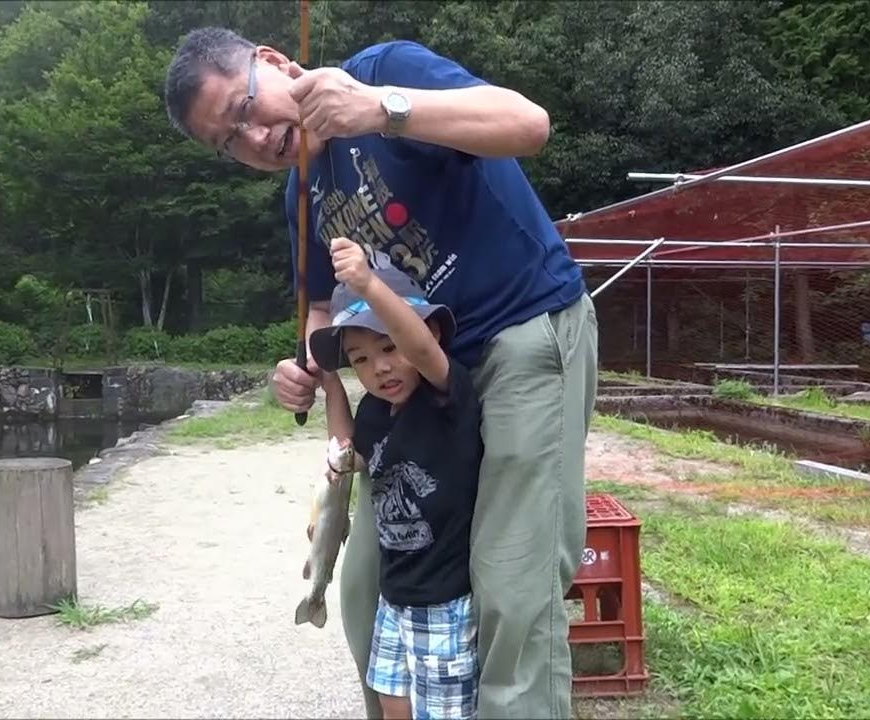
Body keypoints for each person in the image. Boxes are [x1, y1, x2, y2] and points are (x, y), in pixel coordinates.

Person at [164, 27, 598, 719]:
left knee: (513, 583)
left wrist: (382, 108)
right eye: (227, 141)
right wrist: (312, 364)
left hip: (522, 331)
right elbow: (318, 309)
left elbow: (528, 124)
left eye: (244, 108)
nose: (253, 139)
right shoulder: (299, 196)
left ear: (275, 63)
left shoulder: (384, 72)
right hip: (420, 390)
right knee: (364, 581)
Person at [311, 236, 483, 720]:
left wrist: (367, 283)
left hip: (445, 603)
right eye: (360, 358)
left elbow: (423, 350)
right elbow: (349, 452)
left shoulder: (447, 396)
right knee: (392, 707)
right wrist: (329, 385)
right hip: (394, 598)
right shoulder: (375, 412)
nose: (379, 366)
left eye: (388, 346)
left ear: (421, 332)